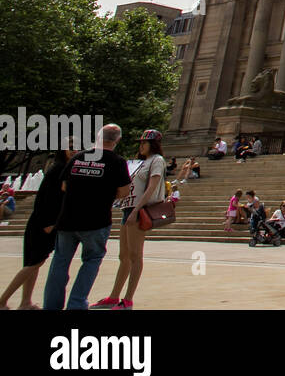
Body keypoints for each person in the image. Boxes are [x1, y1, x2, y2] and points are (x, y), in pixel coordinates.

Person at [43, 124, 133, 310]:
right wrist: (103, 193)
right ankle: (76, 304)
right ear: (117, 140)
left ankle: (51, 306)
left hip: (68, 219)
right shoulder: (116, 161)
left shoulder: (78, 156)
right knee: (91, 261)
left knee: (60, 262)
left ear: (99, 137)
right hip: (96, 220)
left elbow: (64, 186)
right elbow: (124, 192)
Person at [92, 129, 168, 310]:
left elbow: (151, 188)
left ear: (153, 144)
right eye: (140, 143)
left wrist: (137, 210)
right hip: (127, 209)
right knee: (123, 256)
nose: (141, 145)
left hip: (138, 211)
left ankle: (128, 300)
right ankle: (113, 296)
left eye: (144, 142)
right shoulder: (139, 162)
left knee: (135, 256)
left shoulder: (157, 160)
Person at [1, 143, 74, 309]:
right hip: (44, 223)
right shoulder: (60, 169)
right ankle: (2, 300)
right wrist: (48, 223)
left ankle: (25, 302)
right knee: (33, 264)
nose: (74, 150)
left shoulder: (61, 168)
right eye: (70, 147)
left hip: (40, 221)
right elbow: (45, 199)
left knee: (33, 264)